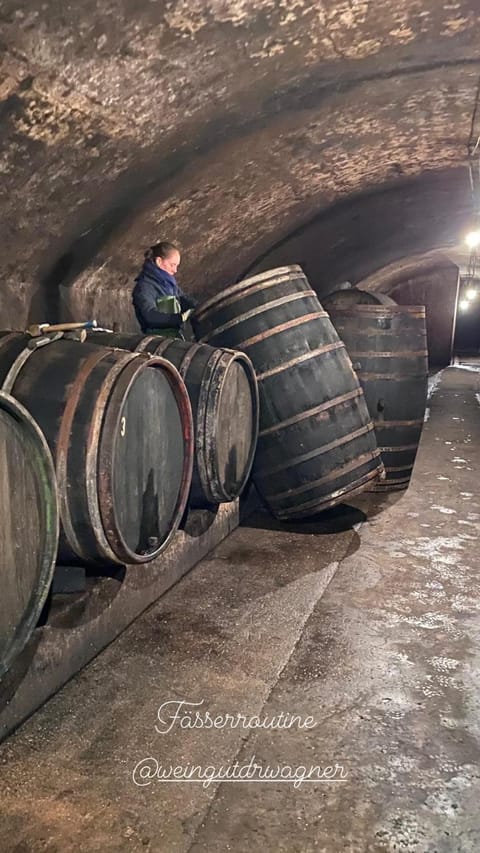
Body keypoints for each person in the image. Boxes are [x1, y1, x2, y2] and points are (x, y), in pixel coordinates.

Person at [132, 241, 197, 334]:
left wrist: (196, 307)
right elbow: (150, 316)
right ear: (159, 261)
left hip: (174, 337)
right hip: (156, 340)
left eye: (177, 266)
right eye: (172, 265)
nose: (175, 270)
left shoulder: (170, 284)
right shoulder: (144, 287)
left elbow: (183, 299)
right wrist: (178, 318)